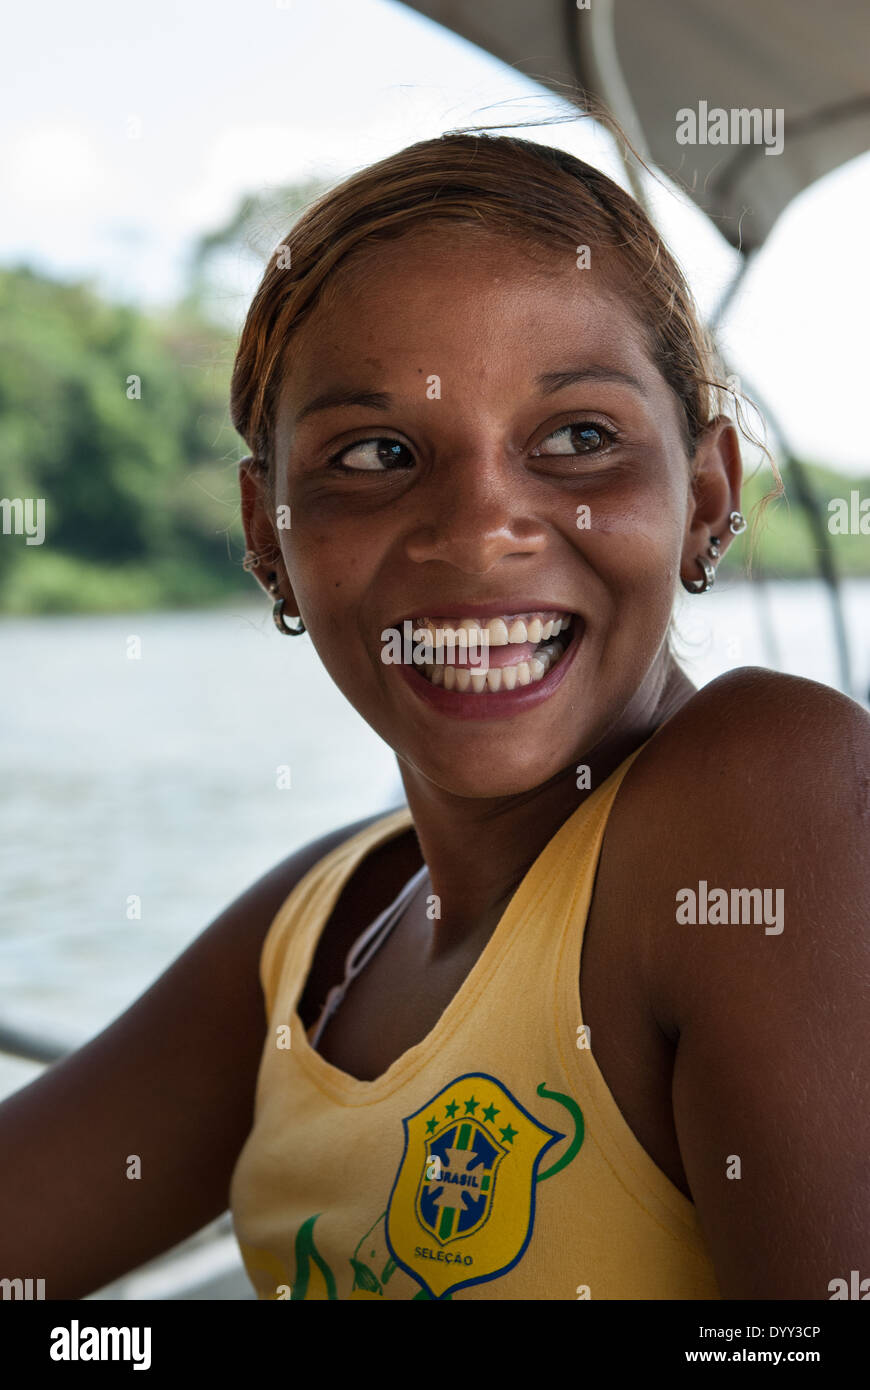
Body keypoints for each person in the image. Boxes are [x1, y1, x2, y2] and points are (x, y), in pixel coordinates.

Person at [1, 132, 867, 1302]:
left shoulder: (774, 796)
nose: (475, 530)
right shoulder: (324, 928)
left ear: (706, 494)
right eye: (376, 453)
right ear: (269, 532)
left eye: (576, 440)